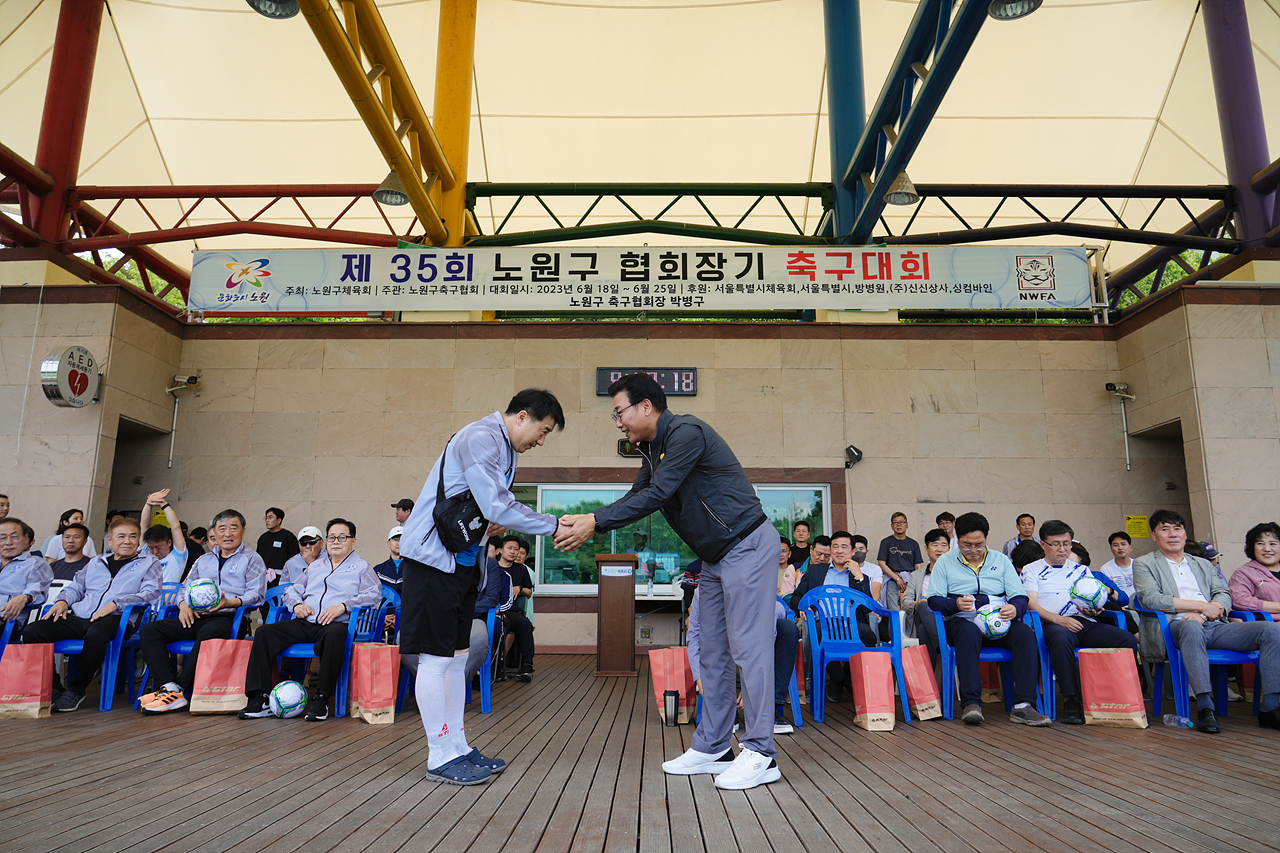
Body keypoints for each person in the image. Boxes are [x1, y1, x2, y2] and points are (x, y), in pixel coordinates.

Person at [555, 372, 780, 791]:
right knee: (710, 650)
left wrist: (595, 521)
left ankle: (761, 753)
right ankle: (713, 746)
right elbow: (636, 497)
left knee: (749, 649)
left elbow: (658, 495)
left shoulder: (686, 433)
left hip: (746, 545)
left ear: (646, 406)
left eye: (619, 412)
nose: (618, 422)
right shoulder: (652, 450)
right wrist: (590, 520)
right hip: (714, 558)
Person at [399, 388, 569, 786]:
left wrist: (496, 519)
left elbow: (490, 510)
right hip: (432, 562)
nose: (541, 441)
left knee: (458, 659)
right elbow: (496, 505)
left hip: (462, 565)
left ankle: (457, 746)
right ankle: (439, 754)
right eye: (543, 431)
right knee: (435, 661)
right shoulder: (481, 437)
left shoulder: (505, 449)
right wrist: (555, 525)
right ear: (522, 416)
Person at [1134, 510, 1280, 733]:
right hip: (1174, 627)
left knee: (1270, 630)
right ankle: (1205, 707)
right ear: (1154, 535)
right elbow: (1151, 598)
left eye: (1177, 529)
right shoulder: (1145, 563)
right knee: (1191, 626)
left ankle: (1270, 708)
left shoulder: (1203, 564)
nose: (1172, 534)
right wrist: (1201, 606)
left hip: (1213, 625)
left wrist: (1203, 614)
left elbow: (1224, 594)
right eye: (1165, 529)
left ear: (1185, 534)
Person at [239, 518, 381, 723]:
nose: (336, 541)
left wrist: (343, 606)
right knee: (264, 633)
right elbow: (292, 590)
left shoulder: (362, 567)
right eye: (332, 537)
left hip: (337, 624)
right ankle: (260, 698)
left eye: (342, 537)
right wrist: (297, 605)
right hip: (306, 622)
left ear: (353, 541)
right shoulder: (315, 566)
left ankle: (321, 698)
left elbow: (374, 596)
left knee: (335, 636)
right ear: (326, 541)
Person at [21, 516, 162, 712]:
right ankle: (54, 686)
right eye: (121, 536)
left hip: (118, 619)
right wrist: (63, 601)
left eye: (133, 536)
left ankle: (77, 688)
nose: (128, 541)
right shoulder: (97, 561)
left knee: (97, 633)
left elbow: (151, 593)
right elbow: (76, 587)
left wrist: (116, 604)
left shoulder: (149, 562)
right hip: (82, 616)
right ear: (110, 540)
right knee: (33, 631)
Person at [137, 509, 267, 713]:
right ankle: (168, 686)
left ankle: (180, 689)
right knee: (150, 630)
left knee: (208, 633)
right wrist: (183, 605)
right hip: (196, 617)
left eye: (233, 528)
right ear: (214, 532)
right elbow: (184, 588)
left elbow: (257, 595)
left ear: (243, 531)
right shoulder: (203, 560)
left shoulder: (252, 559)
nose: (227, 534)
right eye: (222, 529)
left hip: (230, 618)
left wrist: (229, 603)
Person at [927, 511, 1050, 727]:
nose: (973, 550)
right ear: (957, 539)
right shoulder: (945, 562)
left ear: (986, 538)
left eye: (979, 544)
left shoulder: (1001, 560)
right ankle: (972, 703)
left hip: (999, 621)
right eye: (966, 545)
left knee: (1025, 634)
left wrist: (1015, 608)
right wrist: (955, 604)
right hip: (963, 621)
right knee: (968, 633)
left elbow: (1020, 596)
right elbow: (934, 600)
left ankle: (1023, 705)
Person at [1022, 520, 1139, 725]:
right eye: (1056, 544)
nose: (1062, 549)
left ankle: (1117, 698)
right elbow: (1031, 603)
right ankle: (1072, 701)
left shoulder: (1081, 569)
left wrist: (1092, 609)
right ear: (1043, 544)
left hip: (1083, 621)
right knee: (1060, 640)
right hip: (1051, 623)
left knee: (1126, 639)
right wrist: (1060, 620)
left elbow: (1092, 598)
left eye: (1066, 544)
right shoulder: (1031, 569)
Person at [687, 586, 798, 735]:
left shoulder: (753, 590)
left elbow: (765, 644)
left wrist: (751, 686)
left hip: (754, 639)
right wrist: (699, 679)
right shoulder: (702, 592)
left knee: (788, 629)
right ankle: (727, 711)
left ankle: (768, 710)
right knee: (712, 638)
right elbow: (693, 638)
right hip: (720, 644)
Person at [790, 530, 878, 703]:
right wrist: (802, 606)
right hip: (822, 623)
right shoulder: (816, 571)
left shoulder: (860, 576)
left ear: (852, 551)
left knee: (869, 636)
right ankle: (842, 680)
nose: (839, 551)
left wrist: (859, 576)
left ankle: (841, 679)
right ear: (830, 550)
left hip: (851, 623)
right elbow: (797, 596)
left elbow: (867, 607)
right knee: (818, 636)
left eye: (844, 547)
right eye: (835, 547)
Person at [465, 544, 515, 692]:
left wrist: (465, 611)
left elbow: (491, 599)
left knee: (493, 629)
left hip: (478, 614)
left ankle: (479, 671)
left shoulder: (490, 564)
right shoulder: (446, 559)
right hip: (449, 614)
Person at [495, 535, 536, 682]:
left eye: (516, 549)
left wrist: (519, 588)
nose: (513, 552)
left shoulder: (521, 570)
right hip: (495, 612)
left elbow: (529, 592)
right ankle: (496, 665)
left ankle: (527, 666)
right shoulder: (492, 567)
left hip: (512, 611)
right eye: (509, 548)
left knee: (525, 624)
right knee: (500, 626)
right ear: (500, 550)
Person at [902, 528, 950, 655]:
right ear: (926, 549)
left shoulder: (955, 575)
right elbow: (905, 602)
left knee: (923, 629)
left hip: (946, 619)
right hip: (923, 613)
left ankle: (930, 668)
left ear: (949, 549)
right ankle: (943, 646)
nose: (939, 549)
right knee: (924, 606)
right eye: (935, 545)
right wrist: (917, 604)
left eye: (943, 545)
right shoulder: (916, 575)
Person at [0, 517, 53, 626]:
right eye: (2, 538)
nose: (9, 542)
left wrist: (25, 597)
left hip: (7, 620)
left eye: (14, 537)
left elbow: (38, 591)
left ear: (25, 538)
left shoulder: (35, 563)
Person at [1228, 522, 1280, 616]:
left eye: (1273, 544)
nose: (1267, 549)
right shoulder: (1243, 573)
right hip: (1271, 623)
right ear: (1253, 547)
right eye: (1260, 543)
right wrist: (1277, 607)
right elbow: (1239, 600)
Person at [876, 512, 922, 615]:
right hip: (892, 579)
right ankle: (896, 625)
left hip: (910, 580)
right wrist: (897, 579)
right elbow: (882, 563)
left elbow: (918, 566)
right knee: (894, 611)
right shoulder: (886, 542)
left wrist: (917, 582)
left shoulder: (913, 543)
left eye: (902, 522)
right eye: (895, 522)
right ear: (891, 526)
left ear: (907, 525)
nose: (899, 525)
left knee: (910, 609)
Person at [139, 489, 188, 585]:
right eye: (151, 548)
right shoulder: (146, 554)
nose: (155, 552)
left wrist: (163, 503)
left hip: (169, 594)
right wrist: (149, 503)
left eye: (158, 547)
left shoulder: (178, 557)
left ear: (169, 542)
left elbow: (175, 527)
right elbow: (144, 527)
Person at [373, 526, 404, 641]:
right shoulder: (377, 571)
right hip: (380, 622)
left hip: (406, 624)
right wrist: (381, 618)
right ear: (388, 543)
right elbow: (370, 599)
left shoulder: (415, 572)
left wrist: (400, 618)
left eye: (403, 539)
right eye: (395, 539)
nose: (399, 543)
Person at [255, 508, 299, 584]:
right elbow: (258, 558)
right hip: (264, 577)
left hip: (282, 577)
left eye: (270, 517)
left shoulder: (288, 536)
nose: (267, 520)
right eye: (266, 518)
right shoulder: (263, 537)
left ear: (279, 520)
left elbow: (295, 558)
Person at [1097, 531, 1135, 600]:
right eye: (1115, 545)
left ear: (1131, 547)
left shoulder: (1138, 564)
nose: (1120, 548)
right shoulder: (1105, 569)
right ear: (1111, 549)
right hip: (1119, 605)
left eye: (1123, 544)